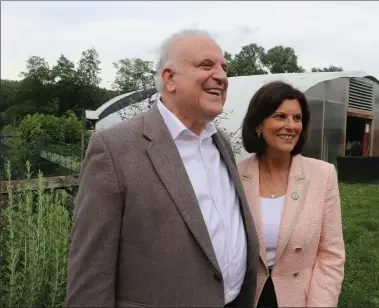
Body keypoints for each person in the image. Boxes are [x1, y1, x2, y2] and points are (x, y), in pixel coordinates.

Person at [67, 29, 259, 307]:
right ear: (170, 78)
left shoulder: (221, 143)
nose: (221, 76)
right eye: (206, 65)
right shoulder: (114, 148)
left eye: (223, 67)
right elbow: (90, 273)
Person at [237, 81, 345, 307]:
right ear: (258, 124)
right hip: (246, 298)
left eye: (297, 118)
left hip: (298, 298)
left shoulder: (322, 175)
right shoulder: (236, 175)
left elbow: (331, 255)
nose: (291, 126)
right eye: (280, 116)